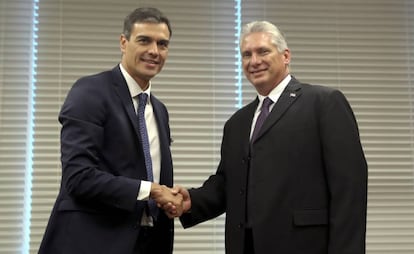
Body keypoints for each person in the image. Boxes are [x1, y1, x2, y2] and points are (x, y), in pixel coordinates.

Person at [170, 21, 368, 254]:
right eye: (246, 55)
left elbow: (349, 188)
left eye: (263, 51)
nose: (254, 61)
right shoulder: (237, 123)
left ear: (286, 56)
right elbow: (229, 185)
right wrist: (191, 201)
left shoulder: (324, 103)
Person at [38, 7, 183, 254]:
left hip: (149, 242)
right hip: (93, 242)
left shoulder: (159, 110)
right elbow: (78, 177)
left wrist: (169, 199)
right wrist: (152, 190)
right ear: (123, 43)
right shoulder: (90, 92)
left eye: (162, 44)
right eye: (144, 40)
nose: (154, 51)